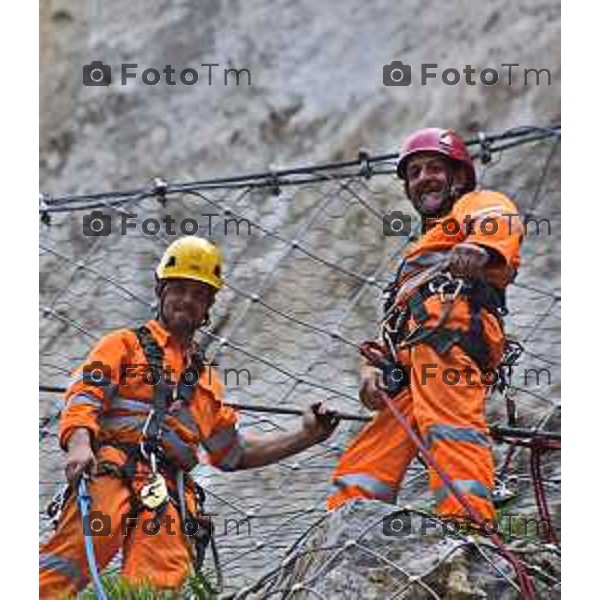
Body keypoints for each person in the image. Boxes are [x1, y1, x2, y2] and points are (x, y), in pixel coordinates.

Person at [40, 236, 339, 598]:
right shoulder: (123, 345)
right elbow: (86, 395)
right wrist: (80, 444)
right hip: (109, 471)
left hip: (166, 493)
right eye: (179, 289)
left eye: (199, 294)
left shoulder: (207, 383)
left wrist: (306, 435)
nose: (188, 300)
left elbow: (233, 452)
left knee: (158, 586)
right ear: (161, 291)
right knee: (65, 565)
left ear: (209, 305)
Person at [327, 128, 523, 523]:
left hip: (450, 344)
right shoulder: (419, 255)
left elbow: (498, 223)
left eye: (434, 168)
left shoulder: (476, 203)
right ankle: (345, 530)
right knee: (367, 458)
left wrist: (480, 250)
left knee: (452, 431)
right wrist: (372, 367)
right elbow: (396, 320)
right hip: (413, 364)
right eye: (414, 173)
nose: (423, 178)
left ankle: (469, 529)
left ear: (460, 176)